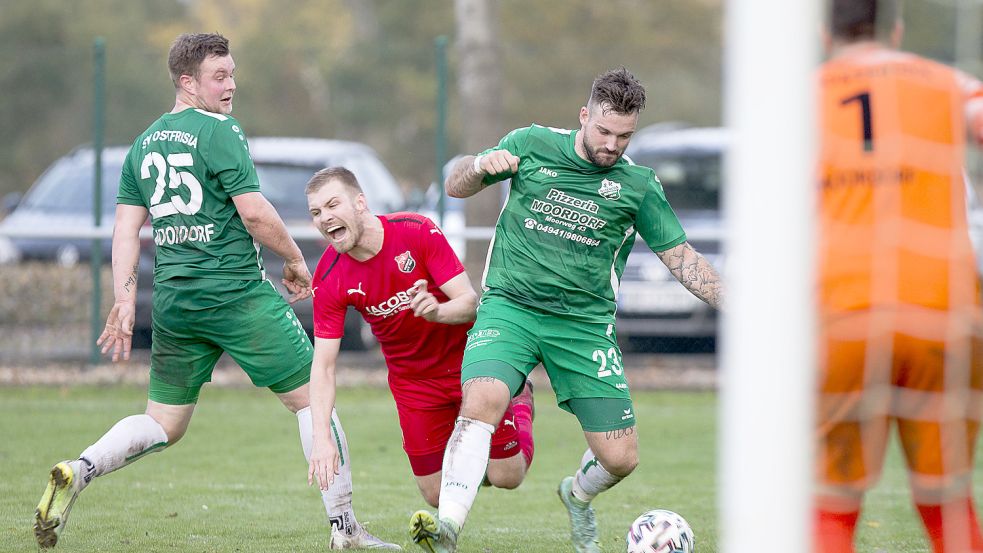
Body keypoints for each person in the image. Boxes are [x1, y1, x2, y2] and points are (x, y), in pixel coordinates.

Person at [33, 33, 398, 551]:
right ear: (188, 83)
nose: (230, 86)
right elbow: (253, 212)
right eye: (218, 77)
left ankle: (80, 469)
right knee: (313, 400)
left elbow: (124, 230)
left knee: (163, 423)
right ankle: (345, 530)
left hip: (176, 302)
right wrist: (296, 259)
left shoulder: (145, 142)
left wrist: (123, 296)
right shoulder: (220, 130)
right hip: (235, 295)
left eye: (232, 74)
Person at [408, 68, 724, 553]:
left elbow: (682, 259)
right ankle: (447, 527)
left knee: (620, 458)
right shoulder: (531, 143)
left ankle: (576, 497)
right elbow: (456, 186)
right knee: (482, 401)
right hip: (510, 308)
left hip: (583, 327)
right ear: (584, 115)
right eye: (603, 131)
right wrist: (479, 167)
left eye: (624, 135)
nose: (612, 144)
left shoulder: (637, 185)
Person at [814, 1, 983, 552]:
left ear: (823, 30)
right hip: (944, 308)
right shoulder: (946, 83)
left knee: (832, 502)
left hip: (843, 311)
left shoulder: (800, 96)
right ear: (898, 27)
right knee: (947, 501)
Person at [303, 166, 535, 509]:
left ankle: (521, 402)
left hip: (469, 365)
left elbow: (470, 303)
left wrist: (436, 313)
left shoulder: (415, 231)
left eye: (333, 205)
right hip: (413, 383)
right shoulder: (329, 275)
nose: (325, 218)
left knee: (507, 477)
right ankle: (471, 457)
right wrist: (321, 439)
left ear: (361, 203)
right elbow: (323, 366)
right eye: (316, 212)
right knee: (437, 496)